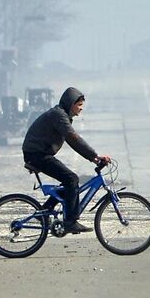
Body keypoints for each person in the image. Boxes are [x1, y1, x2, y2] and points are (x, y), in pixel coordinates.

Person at [21, 87, 112, 233]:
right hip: (36, 154)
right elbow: (74, 139)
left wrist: (93, 158)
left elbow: (73, 142)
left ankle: (46, 209)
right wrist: (94, 156)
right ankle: (70, 221)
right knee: (71, 179)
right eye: (79, 105)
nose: (81, 109)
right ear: (71, 103)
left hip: (38, 153)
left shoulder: (62, 116)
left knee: (68, 182)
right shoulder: (59, 116)